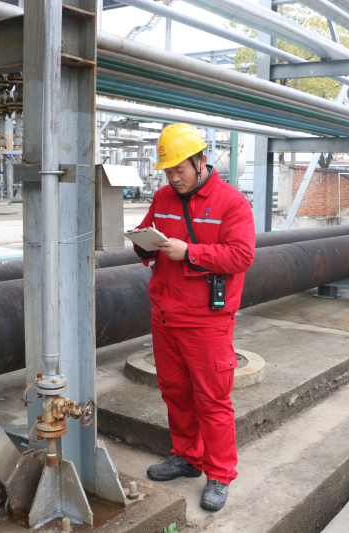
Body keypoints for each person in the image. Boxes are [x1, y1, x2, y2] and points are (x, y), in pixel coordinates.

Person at [131, 123, 255, 511]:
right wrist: (142, 244)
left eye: (179, 169)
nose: (174, 178)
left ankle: (220, 474)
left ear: (200, 161)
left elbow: (242, 255)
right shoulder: (163, 197)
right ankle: (187, 456)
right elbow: (150, 232)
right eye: (168, 171)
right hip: (165, 316)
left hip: (207, 321)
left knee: (212, 400)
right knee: (175, 392)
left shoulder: (231, 202)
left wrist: (191, 252)